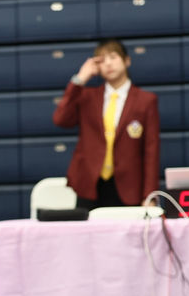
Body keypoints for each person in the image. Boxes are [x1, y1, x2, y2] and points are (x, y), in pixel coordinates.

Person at [52, 38, 160, 209]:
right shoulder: (87, 97)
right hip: (89, 185)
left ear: (127, 61)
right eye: (102, 60)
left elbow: (151, 151)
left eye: (113, 57)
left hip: (129, 187)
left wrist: (149, 195)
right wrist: (80, 79)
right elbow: (60, 119)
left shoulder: (145, 101)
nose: (108, 64)